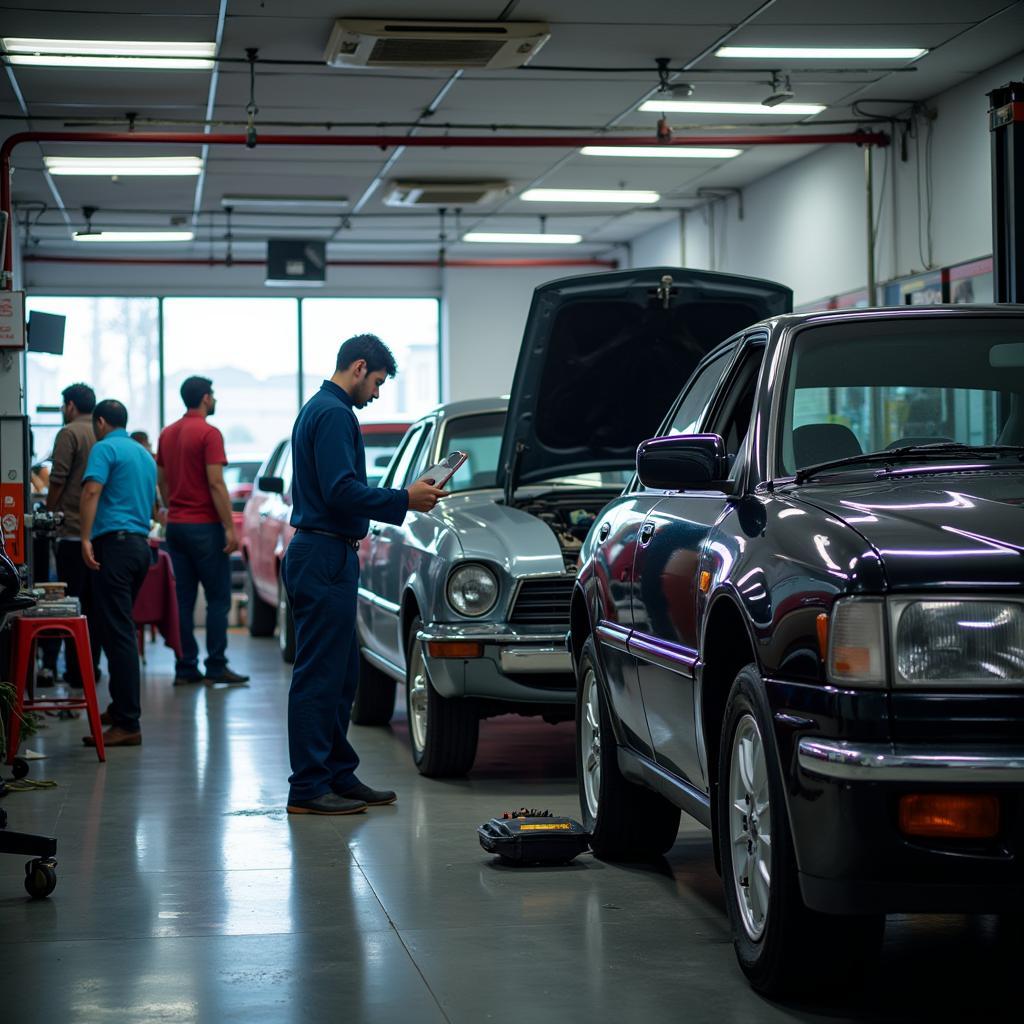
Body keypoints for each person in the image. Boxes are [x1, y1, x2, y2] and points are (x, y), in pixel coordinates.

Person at [284, 334, 446, 815]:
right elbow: (340, 491)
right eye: (375, 382)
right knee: (319, 675)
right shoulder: (333, 414)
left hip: (329, 553)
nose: (375, 393)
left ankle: (336, 773)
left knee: (342, 672)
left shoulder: (322, 409)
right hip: (322, 553)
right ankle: (309, 787)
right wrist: (404, 499)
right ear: (358, 367)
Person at [157, 376, 248, 686]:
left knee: (182, 599)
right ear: (206, 398)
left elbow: (162, 480)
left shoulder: (167, 433)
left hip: (177, 528)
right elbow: (216, 483)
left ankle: (185, 667)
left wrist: (173, 508)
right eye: (214, 395)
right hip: (205, 528)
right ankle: (215, 665)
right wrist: (229, 528)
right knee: (218, 599)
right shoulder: (209, 433)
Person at [79, 400, 157, 747]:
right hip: (140, 547)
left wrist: (84, 537)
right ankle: (120, 706)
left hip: (115, 546)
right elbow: (154, 506)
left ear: (100, 422)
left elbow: (92, 490)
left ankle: (128, 721)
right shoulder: (143, 454)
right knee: (115, 629)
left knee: (119, 632)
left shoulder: (105, 447)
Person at [46, 383, 101, 687]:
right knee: (94, 608)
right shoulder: (101, 433)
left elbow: (58, 479)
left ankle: (74, 672)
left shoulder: (68, 433)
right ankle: (90, 669)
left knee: (72, 607)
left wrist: (48, 511)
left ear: (70, 406)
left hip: (71, 532)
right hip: (98, 534)